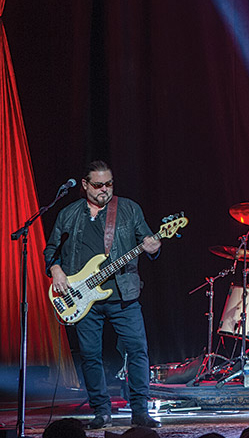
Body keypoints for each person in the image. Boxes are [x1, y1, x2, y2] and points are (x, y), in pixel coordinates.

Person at [43, 161, 162, 429]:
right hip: (82, 297)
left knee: (138, 351)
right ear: (84, 185)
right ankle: (101, 411)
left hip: (124, 294)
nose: (104, 190)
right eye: (98, 185)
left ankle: (140, 411)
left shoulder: (129, 209)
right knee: (90, 355)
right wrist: (57, 271)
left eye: (109, 184)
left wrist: (154, 247)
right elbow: (51, 250)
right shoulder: (69, 213)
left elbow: (149, 241)